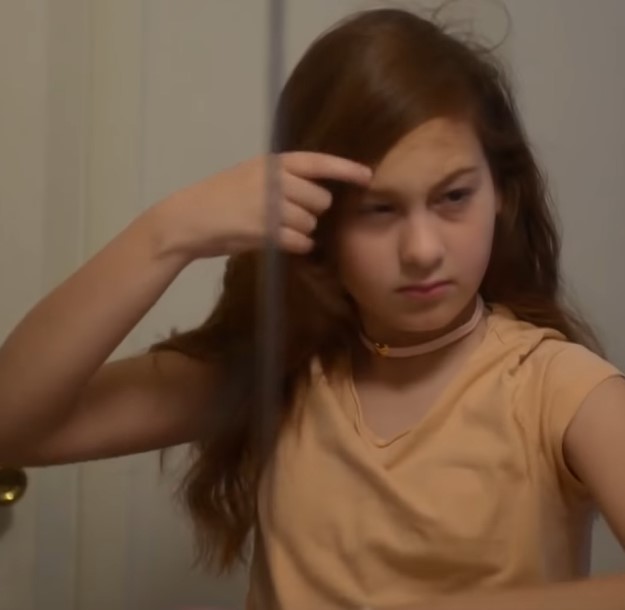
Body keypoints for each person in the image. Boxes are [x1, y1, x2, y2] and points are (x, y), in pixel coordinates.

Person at [0, 7, 624, 610]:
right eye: (378, 210)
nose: (424, 250)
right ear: (317, 223)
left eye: (454, 197)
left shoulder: (555, 387)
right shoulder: (286, 371)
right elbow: (12, 420)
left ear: (502, 197)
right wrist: (167, 232)